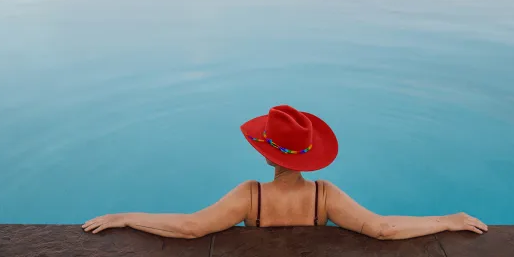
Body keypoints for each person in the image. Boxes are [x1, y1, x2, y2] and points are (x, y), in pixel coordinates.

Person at [83, 104, 487, 240]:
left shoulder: (250, 195)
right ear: (309, 156)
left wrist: (126, 218)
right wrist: (445, 221)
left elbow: (191, 228)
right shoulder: (324, 195)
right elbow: (383, 228)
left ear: (267, 155)